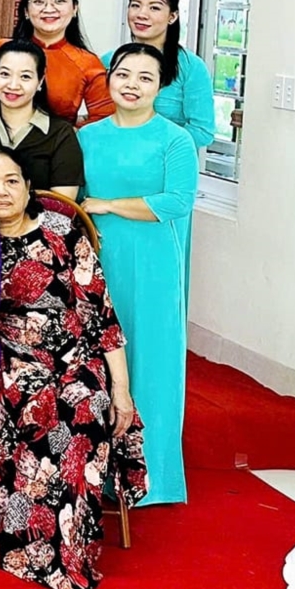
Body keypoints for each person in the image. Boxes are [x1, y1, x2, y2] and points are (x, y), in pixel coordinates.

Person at [0, 146, 148, 589]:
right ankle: (30, 547)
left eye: (11, 180)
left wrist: (122, 389)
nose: (0, 191)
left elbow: (101, 315)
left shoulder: (62, 232)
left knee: (86, 406)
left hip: (76, 353)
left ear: (28, 186)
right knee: (35, 403)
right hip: (11, 355)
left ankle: (71, 550)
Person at [79, 43, 199, 506]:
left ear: (160, 86)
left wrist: (109, 205)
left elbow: (177, 202)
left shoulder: (174, 139)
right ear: (109, 78)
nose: (132, 85)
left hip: (153, 262)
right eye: (124, 74)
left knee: (151, 358)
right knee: (99, 354)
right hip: (98, 257)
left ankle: (152, 478)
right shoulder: (87, 137)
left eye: (145, 77)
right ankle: (96, 471)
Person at [117, 0, 217, 149]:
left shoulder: (191, 67)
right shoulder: (110, 61)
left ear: (172, 16)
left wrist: (151, 148)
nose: (141, 14)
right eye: (135, 5)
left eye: (154, 8)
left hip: (167, 161)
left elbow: (202, 131)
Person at [0, 40, 84, 198]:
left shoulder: (60, 133)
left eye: (25, 76)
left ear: (40, 81)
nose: (13, 85)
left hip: (39, 215)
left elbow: (63, 203)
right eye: (5, 74)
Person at [13, 0, 110, 124]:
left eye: (59, 1)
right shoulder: (0, 50)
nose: (49, 9)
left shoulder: (87, 63)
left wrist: (69, 133)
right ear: (26, 11)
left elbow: (104, 119)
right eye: (39, 1)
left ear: (74, 8)